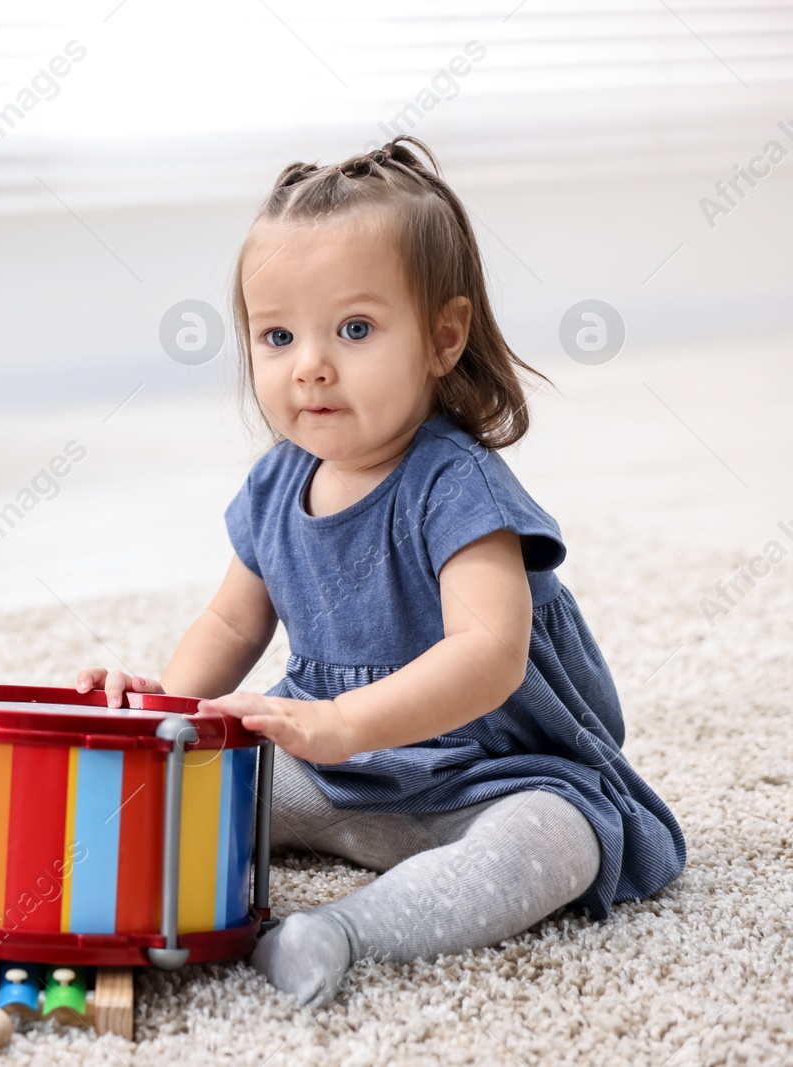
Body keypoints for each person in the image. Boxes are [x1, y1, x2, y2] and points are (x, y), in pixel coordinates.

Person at [77, 136, 685, 1008]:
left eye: (354, 329)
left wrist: (342, 720)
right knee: (185, 785)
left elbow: (491, 653)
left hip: (485, 776)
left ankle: (345, 930)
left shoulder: (456, 485)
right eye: (278, 335)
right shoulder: (277, 481)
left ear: (443, 337)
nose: (310, 364)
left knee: (555, 841)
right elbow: (230, 625)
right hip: (331, 777)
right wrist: (168, 720)